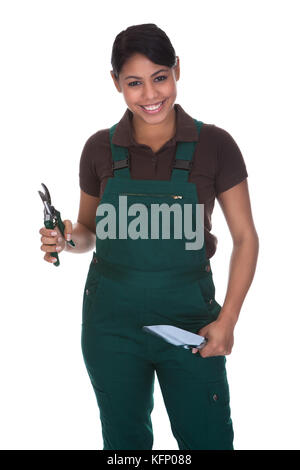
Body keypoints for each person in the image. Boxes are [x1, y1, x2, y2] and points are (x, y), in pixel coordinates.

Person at [39, 23, 259, 450]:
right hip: (111, 326)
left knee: (208, 440)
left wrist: (227, 320)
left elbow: (246, 238)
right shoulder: (99, 149)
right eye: (134, 83)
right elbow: (88, 233)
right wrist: (65, 238)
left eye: (160, 77)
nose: (150, 94)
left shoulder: (216, 145)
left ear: (177, 69)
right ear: (116, 83)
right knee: (124, 445)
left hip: (192, 324)